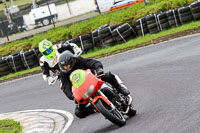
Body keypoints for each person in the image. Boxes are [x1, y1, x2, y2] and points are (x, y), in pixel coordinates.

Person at [58, 50, 130, 118]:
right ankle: (95, 108)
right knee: (78, 112)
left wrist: (99, 70)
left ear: (72, 60)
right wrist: (73, 96)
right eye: (64, 66)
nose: (66, 68)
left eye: (67, 65)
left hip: (94, 78)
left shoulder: (79, 60)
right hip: (82, 90)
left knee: (108, 75)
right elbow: (66, 88)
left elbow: (95, 63)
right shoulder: (63, 74)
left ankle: (120, 88)